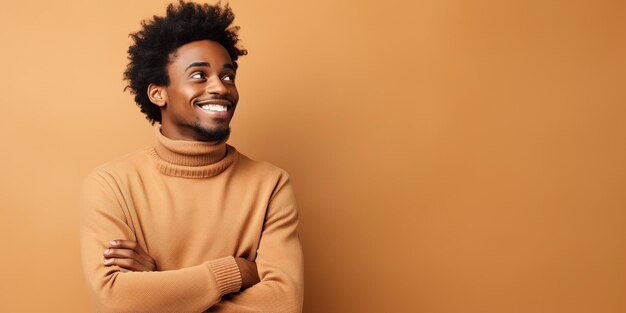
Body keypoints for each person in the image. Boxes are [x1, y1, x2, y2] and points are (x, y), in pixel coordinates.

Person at [79, 1, 304, 312]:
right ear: (158, 93)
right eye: (199, 75)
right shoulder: (112, 184)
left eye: (228, 77)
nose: (221, 88)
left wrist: (159, 288)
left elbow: (283, 304)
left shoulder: (270, 184)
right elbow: (115, 301)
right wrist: (236, 272)